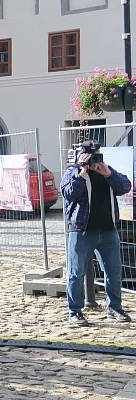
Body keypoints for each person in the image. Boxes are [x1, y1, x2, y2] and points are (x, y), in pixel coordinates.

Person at [61, 140, 132, 326]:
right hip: (81, 231)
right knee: (76, 273)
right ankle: (74, 311)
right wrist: (82, 173)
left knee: (114, 272)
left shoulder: (106, 170)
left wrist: (109, 174)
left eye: (96, 154)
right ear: (80, 154)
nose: (93, 159)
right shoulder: (72, 172)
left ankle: (114, 307)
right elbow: (68, 194)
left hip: (108, 231)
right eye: (89, 155)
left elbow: (125, 186)